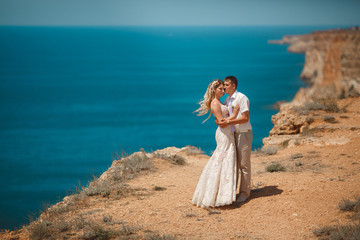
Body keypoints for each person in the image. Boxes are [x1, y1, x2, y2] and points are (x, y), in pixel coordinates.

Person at [192, 79, 240, 207]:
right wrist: (234, 115)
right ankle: (214, 194)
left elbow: (219, 120)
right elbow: (222, 122)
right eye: (220, 89)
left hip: (227, 133)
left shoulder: (220, 101)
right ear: (214, 90)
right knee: (221, 160)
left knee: (226, 160)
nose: (223, 91)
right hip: (224, 134)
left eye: (224, 88)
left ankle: (223, 193)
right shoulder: (215, 103)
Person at [218, 76, 253, 203]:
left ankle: (245, 193)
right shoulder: (227, 100)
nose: (224, 87)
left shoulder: (242, 98)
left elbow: (245, 118)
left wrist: (228, 121)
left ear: (233, 86)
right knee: (233, 164)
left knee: (244, 165)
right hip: (233, 135)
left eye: (226, 85)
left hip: (243, 133)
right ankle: (232, 192)